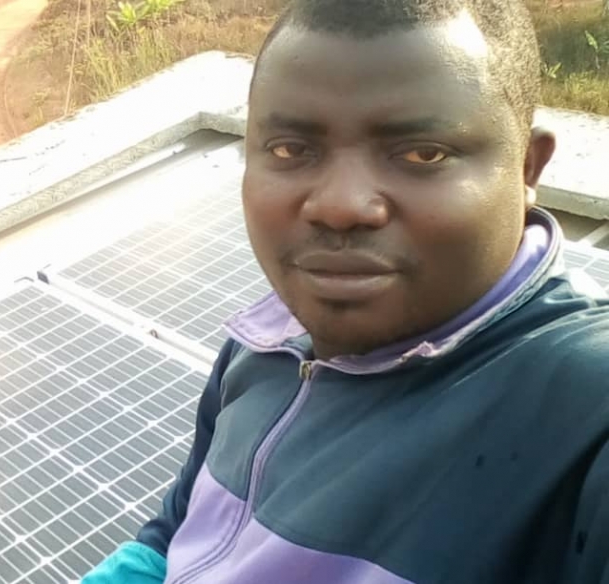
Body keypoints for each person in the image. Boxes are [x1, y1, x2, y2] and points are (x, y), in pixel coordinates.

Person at [81, 0, 609, 582]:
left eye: (422, 153)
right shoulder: (266, 339)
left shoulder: (583, 412)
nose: (339, 206)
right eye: (290, 149)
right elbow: (180, 529)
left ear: (528, 168)